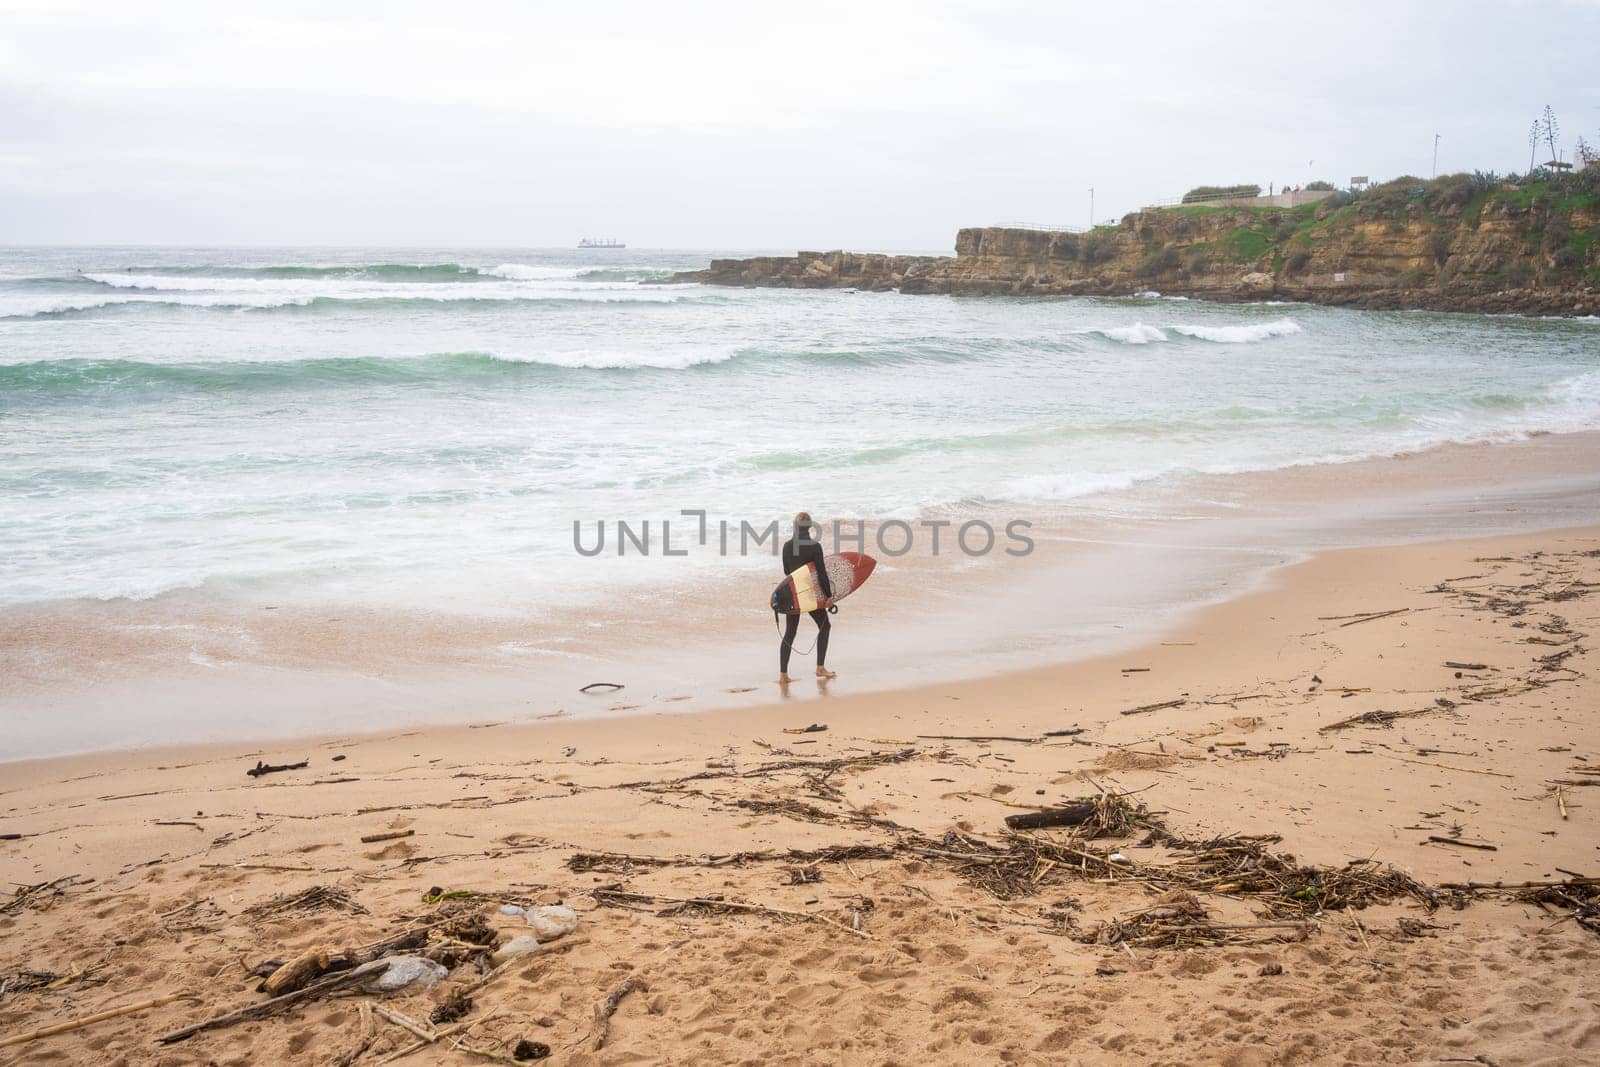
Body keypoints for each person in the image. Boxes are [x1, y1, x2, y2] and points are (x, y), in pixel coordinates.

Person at [778, 511, 835, 682]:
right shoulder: (814, 546)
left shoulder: (787, 546)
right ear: (810, 527)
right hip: (810, 594)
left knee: (790, 633)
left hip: (793, 594)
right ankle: (820, 667)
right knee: (825, 627)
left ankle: (783, 675)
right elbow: (822, 574)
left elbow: (787, 572)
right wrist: (828, 596)